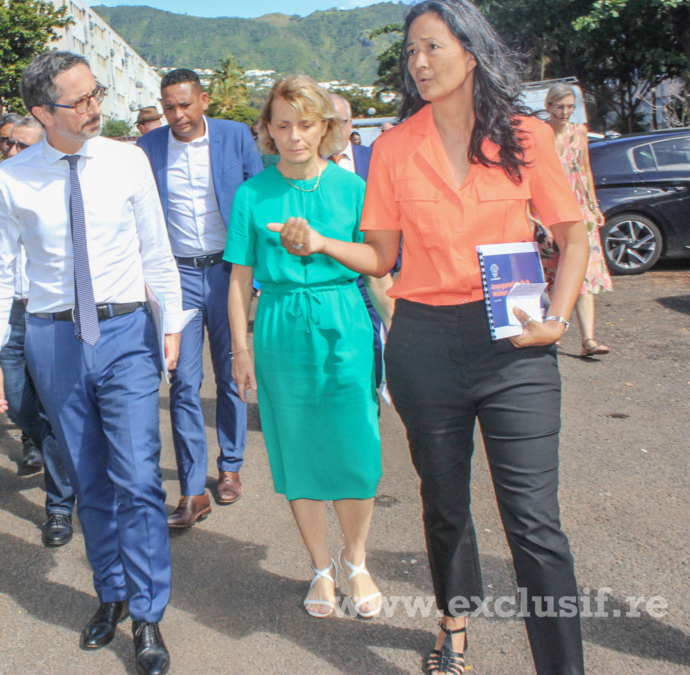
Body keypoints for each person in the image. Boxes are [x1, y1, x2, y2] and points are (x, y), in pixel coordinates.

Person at [271, 1, 588, 672]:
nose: (418, 62)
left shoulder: (525, 135)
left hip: (516, 341)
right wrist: (323, 243)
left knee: (534, 523)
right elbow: (381, 257)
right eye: (410, 51)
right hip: (424, 343)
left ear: (471, 52)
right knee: (445, 505)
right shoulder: (393, 147)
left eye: (432, 47)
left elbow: (572, 233)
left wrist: (559, 319)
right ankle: (453, 624)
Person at [0, 51, 189, 675]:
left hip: (125, 333)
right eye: (80, 100)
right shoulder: (7, 182)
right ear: (42, 112)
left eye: (96, 94)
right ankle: (110, 593)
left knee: (138, 477)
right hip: (54, 339)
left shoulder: (127, 160)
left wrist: (171, 324)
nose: (95, 108)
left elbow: (157, 250)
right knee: (89, 481)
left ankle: (147, 613)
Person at [223, 75, 384, 621]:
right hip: (280, 325)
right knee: (297, 446)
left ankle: (356, 560)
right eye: (283, 124)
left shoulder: (353, 188)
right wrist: (240, 351)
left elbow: (377, 269)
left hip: (344, 319)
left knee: (356, 444)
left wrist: (404, 335)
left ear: (325, 128)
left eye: (306, 124)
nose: (294, 136)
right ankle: (320, 566)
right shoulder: (251, 194)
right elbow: (239, 281)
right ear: (267, 130)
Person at [135, 68, 262, 527]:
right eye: (169, 107)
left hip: (228, 272)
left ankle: (230, 465)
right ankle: (192, 489)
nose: (178, 115)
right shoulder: (148, 148)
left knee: (231, 373)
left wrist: (259, 272)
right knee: (184, 382)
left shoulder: (235, 137)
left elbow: (259, 197)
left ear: (204, 101)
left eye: (185, 105)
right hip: (178, 277)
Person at [0, 116, 79, 547]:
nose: (11, 151)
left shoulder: (58, 180)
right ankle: (62, 450)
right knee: (17, 402)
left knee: (55, 410)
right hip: (4, 312)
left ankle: (59, 506)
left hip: (51, 312)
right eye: (6, 143)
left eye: (22, 145)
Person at [536, 83, 612, 357]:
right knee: (549, 273)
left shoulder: (578, 132)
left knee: (583, 271)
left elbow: (585, 170)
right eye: (560, 106)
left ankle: (588, 339)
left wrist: (593, 205)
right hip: (547, 209)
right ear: (548, 106)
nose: (565, 112)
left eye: (570, 107)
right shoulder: (538, 133)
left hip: (579, 208)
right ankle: (549, 333)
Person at [329, 93, 395, 392]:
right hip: (329, 278)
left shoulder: (376, 160)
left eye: (338, 122)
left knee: (375, 352)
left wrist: (394, 261)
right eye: (324, 123)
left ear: (351, 122)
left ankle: (369, 407)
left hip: (373, 275)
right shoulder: (305, 167)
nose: (332, 130)